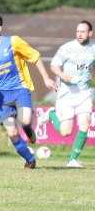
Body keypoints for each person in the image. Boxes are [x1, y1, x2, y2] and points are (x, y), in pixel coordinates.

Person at [0, 13, 56, 169]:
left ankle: (28, 129)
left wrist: (46, 78)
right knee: (12, 133)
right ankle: (30, 159)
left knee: (25, 121)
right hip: (1, 96)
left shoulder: (13, 42)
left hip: (20, 89)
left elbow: (35, 57)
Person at [38, 21, 95, 168]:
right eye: (77, 31)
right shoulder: (68, 47)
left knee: (85, 124)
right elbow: (54, 65)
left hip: (84, 93)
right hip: (67, 94)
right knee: (65, 132)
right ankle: (51, 115)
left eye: (83, 31)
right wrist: (63, 75)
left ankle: (72, 159)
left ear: (90, 33)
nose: (79, 34)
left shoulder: (93, 48)